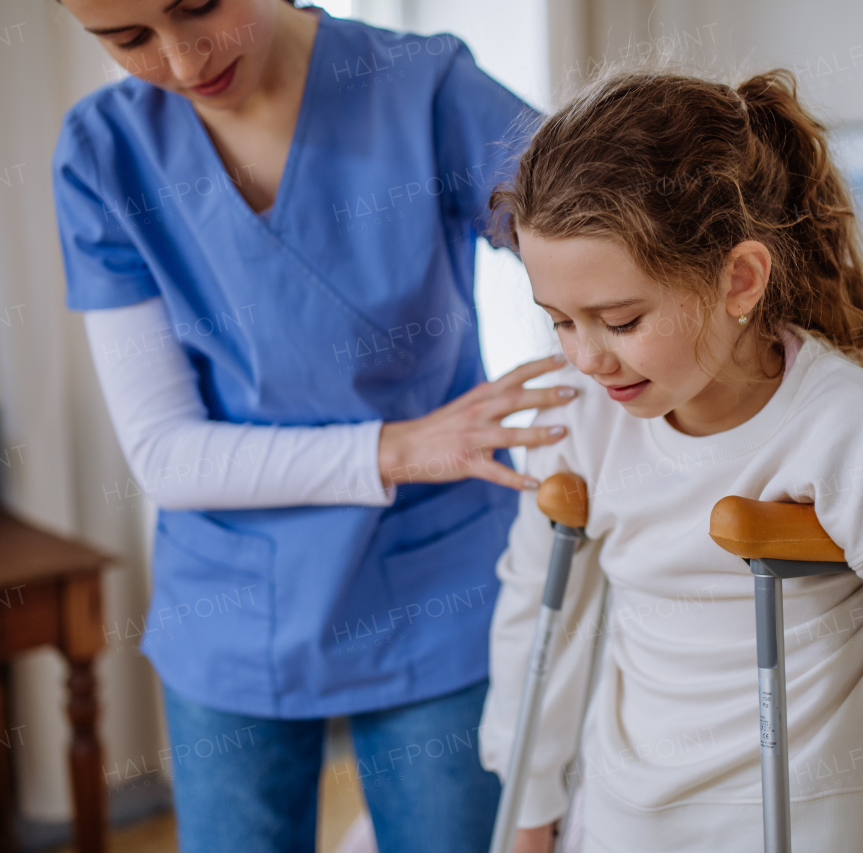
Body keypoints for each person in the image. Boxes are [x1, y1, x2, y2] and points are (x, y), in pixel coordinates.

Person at [52, 2, 575, 852]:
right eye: (129, 39)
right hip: (234, 591)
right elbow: (166, 452)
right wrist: (403, 446)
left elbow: (606, 227)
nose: (185, 63)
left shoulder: (422, 89)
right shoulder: (103, 154)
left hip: (433, 582)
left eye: (196, 7)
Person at [478, 69, 863, 852]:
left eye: (621, 319)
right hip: (621, 811)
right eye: (561, 321)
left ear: (739, 280)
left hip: (797, 818)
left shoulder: (845, 430)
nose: (588, 357)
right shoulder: (584, 415)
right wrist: (530, 806)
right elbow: (539, 605)